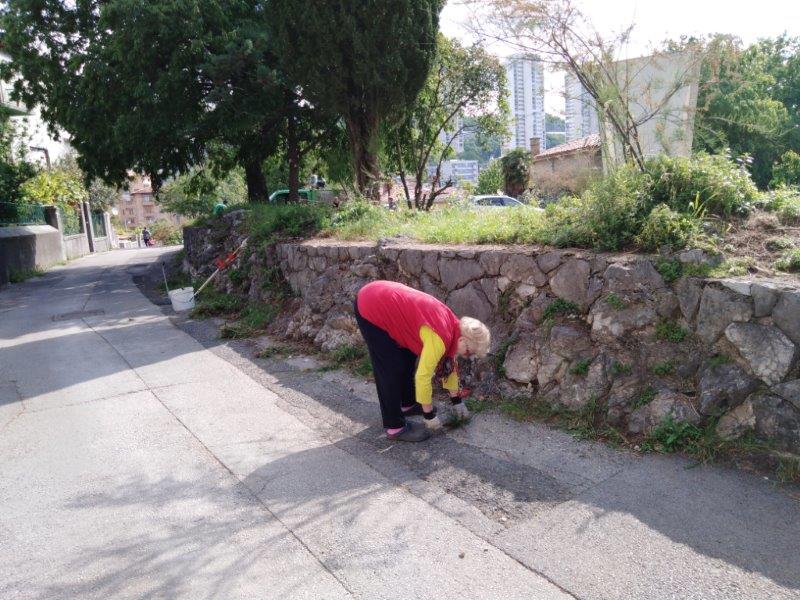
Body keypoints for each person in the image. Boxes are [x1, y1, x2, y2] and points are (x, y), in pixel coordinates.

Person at [354, 280, 491, 442]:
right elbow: (423, 376)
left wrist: (457, 401)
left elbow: (449, 365)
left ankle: (408, 404)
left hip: (388, 304)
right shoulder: (440, 338)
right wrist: (429, 415)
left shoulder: (456, 328)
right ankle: (395, 426)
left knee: (407, 358)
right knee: (391, 368)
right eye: (469, 352)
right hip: (371, 305)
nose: (467, 356)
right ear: (463, 340)